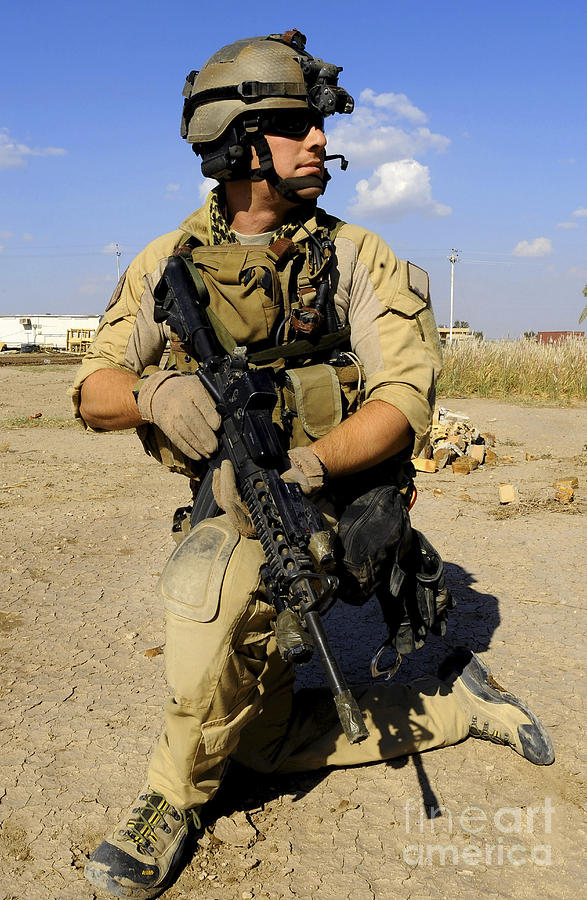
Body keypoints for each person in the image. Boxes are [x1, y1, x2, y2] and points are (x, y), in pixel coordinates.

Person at [73, 30, 554, 900]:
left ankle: (168, 797)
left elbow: (403, 402)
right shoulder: (167, 263)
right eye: (298, 126)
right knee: (256, 745)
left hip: (329, 499)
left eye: (316, 125)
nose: (322, 142)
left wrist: (305, 469)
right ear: (239, 141)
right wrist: (149, 397)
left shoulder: (357, 258)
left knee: (204, 593)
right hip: (233, 501)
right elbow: (90, 388)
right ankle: (455, 706)